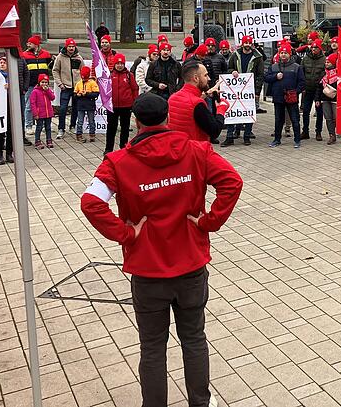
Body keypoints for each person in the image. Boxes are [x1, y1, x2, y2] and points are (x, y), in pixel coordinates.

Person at [80, 93, 243, 407]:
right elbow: (232, 182)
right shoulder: (197, 151)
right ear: (167, 118)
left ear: (136, 122)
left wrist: (125, 233)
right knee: (194, 339)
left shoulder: (117, 162)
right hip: (191, 265)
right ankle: (200, 402)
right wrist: (209, 221)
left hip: (148, 271)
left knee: (152, 347)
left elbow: (90, 202)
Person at [168, 61, 226, 143]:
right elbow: (214, 131)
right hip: (195, 148)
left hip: (176, 147)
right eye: (205, 75)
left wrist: (206, 93)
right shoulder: (197, 104)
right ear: (196, 78)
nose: (209, 78)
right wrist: (221, 110)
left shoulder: (173, 98)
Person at [224, 35, 265, 146]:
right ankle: (230, 136)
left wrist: (257, 91)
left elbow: (260, 75)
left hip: (249, 90)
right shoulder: (235, 55)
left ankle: (247, 136)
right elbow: (229, 68)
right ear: (242, 44)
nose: (247, 45)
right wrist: (232, 71)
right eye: (245, 43)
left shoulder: (258, 57)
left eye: (249, 43)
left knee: (248, 112)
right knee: (233, 111)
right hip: (235, 89)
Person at [265, 42, 305, 148]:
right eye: (281, 53)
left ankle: (297, 140)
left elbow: (302, 82)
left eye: (285, 53)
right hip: (278, 97)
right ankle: (277, 139)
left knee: (295, 119)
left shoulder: (296, 67)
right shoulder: (273, 67)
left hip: (291, 98)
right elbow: (266, 78)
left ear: (289, 54)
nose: (283, 55)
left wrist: (295, 92)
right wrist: (275, 77)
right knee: (278, 119)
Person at [106, 54, 139, 154]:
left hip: (126, 106)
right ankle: (109, 148)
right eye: (118, 63)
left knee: (125, 128)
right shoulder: (110, 75)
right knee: (111, 128)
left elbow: (134, 89)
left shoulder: (129, 75)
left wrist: (134, 102)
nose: (120, 65)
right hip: (112, 106)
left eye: (121, 63)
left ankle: (123, 147)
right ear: (114, 64)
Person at [52, 38, 84, 139]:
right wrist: (60, 84)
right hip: (65, 87)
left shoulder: (79, 57)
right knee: (63, 109)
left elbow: (82, 71)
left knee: (76, 108)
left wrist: (81, 84)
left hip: (76, 87)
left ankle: (72, 126)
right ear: (66, 47)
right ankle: (61, 128)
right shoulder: (60, 57)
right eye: (69, 46)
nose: (71, 48)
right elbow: (55, 70)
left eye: (73, 46)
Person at [20, 35, 52, 132]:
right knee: (29, 105)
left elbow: (51, 67)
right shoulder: (24, 55)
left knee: (43, 105)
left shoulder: (46, 54)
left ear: (36, 44)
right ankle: (28, 126)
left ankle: (43, 125)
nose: (28, 45)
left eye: (30, 43)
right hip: (30, 84)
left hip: (43, 85)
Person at [300, 40, 327, 141]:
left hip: (318, 91)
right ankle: (305, 131)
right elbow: (301, 73)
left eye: (316, 48)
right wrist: (302, 87)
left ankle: (318, 132)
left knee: (319, 112)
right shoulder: (305, 58)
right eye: (312, 48)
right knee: (305, 111)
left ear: (320, 49)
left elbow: (326, 74)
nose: (313, 49)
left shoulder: (324, 59)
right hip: (307, 89)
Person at [0, 57, 13, 165]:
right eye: (0, 62)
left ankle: (9, 153)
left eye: (4, 63)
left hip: (10, 105)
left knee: (10, 130)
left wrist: (11, 86)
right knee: (0, 131)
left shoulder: (13, 76)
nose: (2, 64)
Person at [319, 53, 341, 145]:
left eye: (328, 62)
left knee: (337, 118)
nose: (326, 64)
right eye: (326, 62)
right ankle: (332, 135)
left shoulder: (339, 73)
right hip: (325, 99)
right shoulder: (323, 73)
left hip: (336, 99)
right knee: (328, 118)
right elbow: (319, 87)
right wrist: (317, 99)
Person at [74, 66, 99, 143]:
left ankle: (92, 135)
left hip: (90, 105)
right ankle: (79, 135)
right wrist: (77, 95)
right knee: (80, 121)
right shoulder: (78, 83)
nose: (84, 79)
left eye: (85, 78)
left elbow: (96, 94)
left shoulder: (92, 83)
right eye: (83, 78)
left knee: (91, 121)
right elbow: (74, 94)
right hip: (80, 105)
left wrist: (87, 94)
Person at [30, 74, 55, 149]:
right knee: (39, 127)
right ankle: (37, 141)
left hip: (48, 113)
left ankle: (49, 140)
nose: (44, 84)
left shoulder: (48, 90)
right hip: (40, 113)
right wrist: (35, 113)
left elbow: (52, 97)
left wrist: (47, 91)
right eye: (42, 82)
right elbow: (32, 103)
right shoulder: (35, 91)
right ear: (39, 82)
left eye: (46, 82)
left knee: (48, 127)